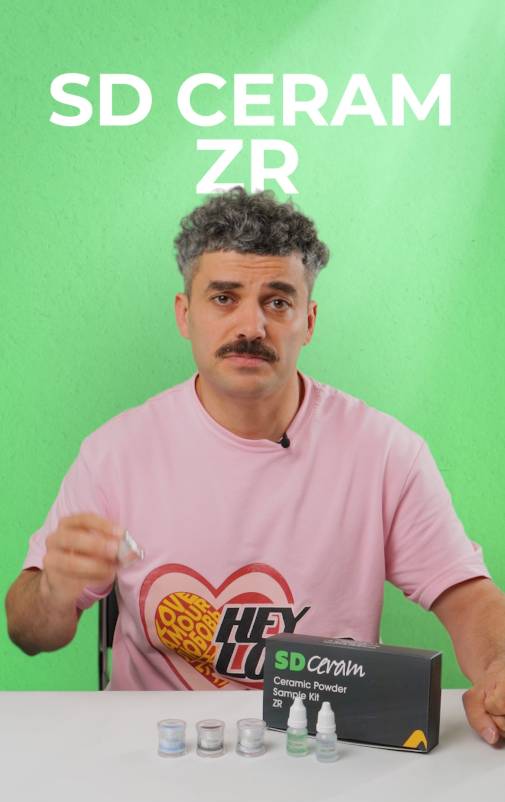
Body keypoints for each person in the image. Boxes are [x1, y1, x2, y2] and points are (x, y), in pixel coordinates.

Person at [5, 188, 505, 746]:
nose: (251, 325)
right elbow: (27, 631)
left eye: (277, 302)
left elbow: (467, 596)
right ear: (184, 314)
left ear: (308, 321)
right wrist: (52, 591)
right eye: (224, 298)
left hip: (324, 745)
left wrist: (497, 669)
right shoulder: (115, 453)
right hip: (157, 748)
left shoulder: (386, 452)